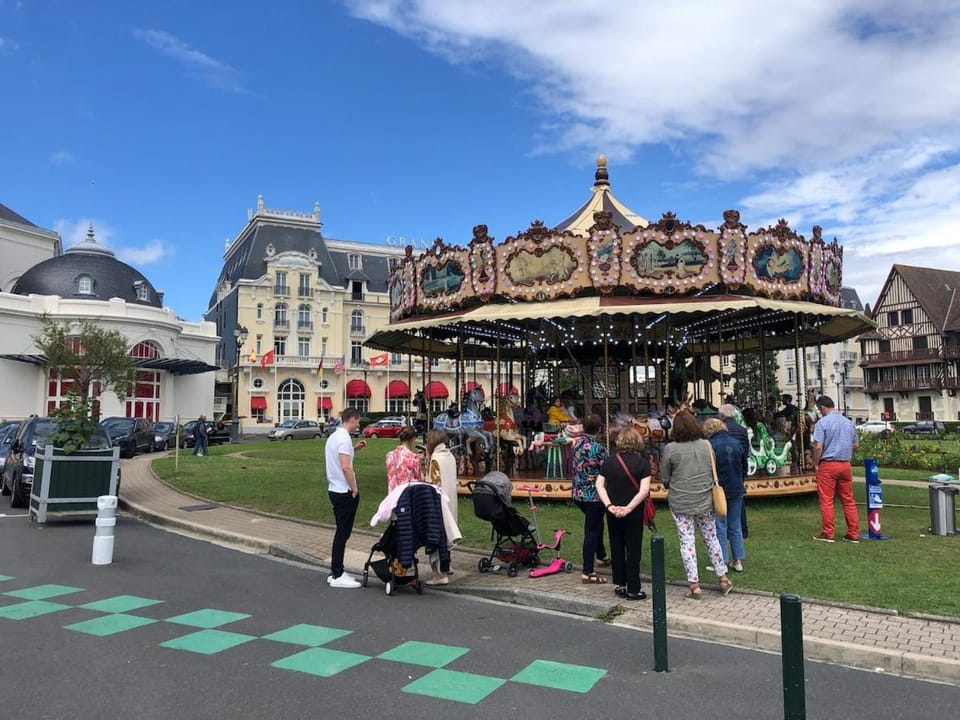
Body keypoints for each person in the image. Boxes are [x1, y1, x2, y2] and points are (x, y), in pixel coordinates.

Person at [660, 410, 733, 599]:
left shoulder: (670, 449)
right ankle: (723, 578)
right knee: (711, 538)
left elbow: (665, 477)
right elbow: (711, 468)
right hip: (704, 501)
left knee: (687, 542)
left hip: (681, 501)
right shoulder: (706, 445)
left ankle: (694, 584)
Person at [596, 427, 650, 600]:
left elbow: (599, 485)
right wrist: (629, 508)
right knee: (633, 549)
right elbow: (644, 491)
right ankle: (633, 588)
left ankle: (620, 584)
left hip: (613, 511)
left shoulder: (609, 461)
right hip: (633, 512)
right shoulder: (642, 463)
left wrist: (609, 505)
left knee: (616, 546)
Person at [325, 408, 367, 588]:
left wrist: (355, 449)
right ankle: (337, 573)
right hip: (343, 491)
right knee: (343, 532)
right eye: (358, 421)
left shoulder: (335, 437)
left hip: (334, 489)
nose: (359, 425)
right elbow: (345, 467)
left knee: (341, 531)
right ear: (352, 419)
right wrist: (354, 488)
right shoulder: (343, 438)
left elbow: (343, 457)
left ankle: (336, 570)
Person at [811, 395, 860, 543]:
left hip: (828, 464)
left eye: (819, 410)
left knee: (826, 500)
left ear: (822, 407)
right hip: (845, 464)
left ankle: (828, 533)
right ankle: (853, 533)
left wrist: (815, 462)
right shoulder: (848, 422)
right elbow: (856, 444)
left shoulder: (822, 423)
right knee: (848, 500)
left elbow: (818, 446)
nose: (820, 412)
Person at [569, 414, 610, 584]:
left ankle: (601, 555)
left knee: (597, 524)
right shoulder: (598, 448)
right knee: (592, 530)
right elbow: (607, 467)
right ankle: (587, 571)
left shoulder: (576, 443)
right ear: (599, 429)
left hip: (578, 492)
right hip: (593, 495)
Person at [703, 418, 746, 572]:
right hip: (737, 488)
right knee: (735, 525)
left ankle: (722, 561)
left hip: (719, 488)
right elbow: (744, 466)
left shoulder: (710, 445)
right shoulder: (736, 443)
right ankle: (738, 560)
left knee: (720, 525)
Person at [425, 428, 459, 579]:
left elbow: (433, 483)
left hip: (438, 502)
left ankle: (440, 573)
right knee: (448, 533)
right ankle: (448, 564)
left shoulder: (435, 459)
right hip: (451, 498)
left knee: (437, 536)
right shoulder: (450, 456)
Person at [718, 403, 750, 539]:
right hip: (737, 466)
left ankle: (723, 529)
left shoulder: (721, 430)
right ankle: (742, 528)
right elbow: (746, 450)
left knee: (722, 499)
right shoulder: (742, 430)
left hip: (723, 467)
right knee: (739, 500)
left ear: (721, 416)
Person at [385, 426, 421, 493]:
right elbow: (419, 479)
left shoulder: (390, 455)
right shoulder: (413, 457)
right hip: (407, 496)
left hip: (392, 495)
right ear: (412, 439)